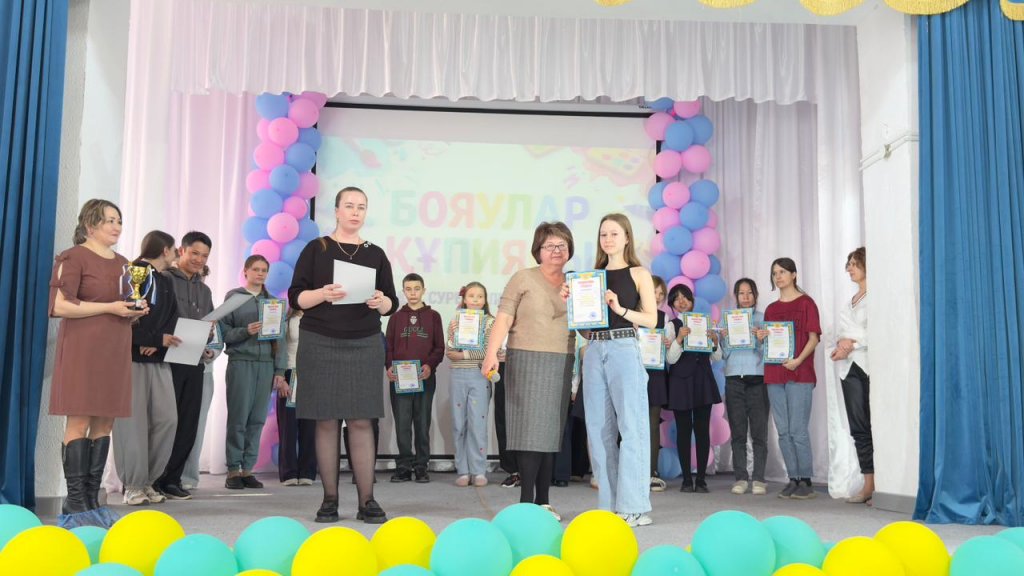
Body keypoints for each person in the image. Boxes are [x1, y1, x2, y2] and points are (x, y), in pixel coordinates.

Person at [289, 186, 398, 524]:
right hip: (319, 341)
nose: (355, 212)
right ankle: (329, 500)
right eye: (349, 206)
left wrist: (380, 301)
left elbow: (391, 303)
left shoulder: (375, 253)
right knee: (326, 420)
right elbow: (295, 297)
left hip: (364, 342)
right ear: (336, 211)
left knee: (362, 420)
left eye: (361, 207)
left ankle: (367, 500)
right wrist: (322, 294)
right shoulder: (316, 248)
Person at [49, 199, 148, 527]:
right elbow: (59, 306)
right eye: (109, 220)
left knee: (105, 425)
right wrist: (109, 307)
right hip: (83, 349)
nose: (117, 226)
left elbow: (122, 307)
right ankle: (76, 502)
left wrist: (133, 312)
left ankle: (92, 499)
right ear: (90, 225)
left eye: (119, 220)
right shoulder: (73, 257)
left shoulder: (124, 263)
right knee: (79, 422)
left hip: (115, 349)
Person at [481, 222, 576, 522]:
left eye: (562, 245)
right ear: (538, 250)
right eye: (550, 246)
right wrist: (491, 353)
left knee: (550, 432)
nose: (556, 251)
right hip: (525, 359)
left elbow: (588, 325)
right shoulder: (523, 277)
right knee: (528, 432)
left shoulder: (576, 283)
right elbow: (504, 317)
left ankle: (543, 501)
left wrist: (580, 301)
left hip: (561, 359)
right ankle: (525, 502)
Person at [577, 214, 658, 527]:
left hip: (624, 347)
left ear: (626, 237)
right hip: (594, 349)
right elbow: (586, 330)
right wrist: (575, 309)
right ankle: (609, 505)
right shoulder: (591, 277)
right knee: (598, 429)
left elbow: (651, 319)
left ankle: (634, 506)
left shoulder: (639, 273)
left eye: (614, 233)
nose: (608, 239)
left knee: (632, 427)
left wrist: (620, 308)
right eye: (603, 234)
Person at [114, 230, 181, 506]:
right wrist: (150, 339)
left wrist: (159, 342)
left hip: (159, 359)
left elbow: (172, 317)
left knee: (167, 419)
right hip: (131, 360)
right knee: (132, 423)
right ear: (165, 250)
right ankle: (133, 485)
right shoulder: (133, 273)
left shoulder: (166, 280)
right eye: (174, 249)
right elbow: (125, 316)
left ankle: (149, 480)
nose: (176, 253)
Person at [219, 255, 288, 489]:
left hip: (266, 366)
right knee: (238, 418)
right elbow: (223, 333)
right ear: (245, 271)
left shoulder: (273, 303)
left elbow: (280, 339)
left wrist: (279, 370)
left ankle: (248, 469)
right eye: (256, 269)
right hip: (241, 362)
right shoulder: (234, 298)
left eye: (264, 270)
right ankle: (233, 470)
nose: (260, 274)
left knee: (257, 419)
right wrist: (245, 331)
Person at [156, 231, 215, 500]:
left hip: (194, 360)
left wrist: (209, 335)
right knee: (165, 421)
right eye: (195, 253)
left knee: (189, 422)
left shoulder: (205, 290)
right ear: (181, 251)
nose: (199, 260)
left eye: (204, 256)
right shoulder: (165, 279)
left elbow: (209, 326)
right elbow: (156, 318)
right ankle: (153, 477)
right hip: (167, 360)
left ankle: (173, 479)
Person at [763, 257, 821, 500]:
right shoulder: (771, 309)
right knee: (783, 431)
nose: (778, 276)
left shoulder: (806, 303)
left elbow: (814, 338)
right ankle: (793, 478)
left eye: (783, 272)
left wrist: (798, 361)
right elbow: (771, 344)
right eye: (775, 273)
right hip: (774, 374)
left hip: (800, 373)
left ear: (794, 274)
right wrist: (762, 337)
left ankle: (806, 480)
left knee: (798, 429)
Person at [385, 273, 445, 484]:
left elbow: (439, 348)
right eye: (408, 289)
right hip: (400, 379)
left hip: (424, 378)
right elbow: (388, 347)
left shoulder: (433, 316)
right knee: (402, 423)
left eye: (417, 289)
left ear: (423, 290)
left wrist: (429, 365)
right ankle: (403, 466)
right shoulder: (395, 318)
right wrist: (389, 367)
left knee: (422, 422)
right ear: (403, 291)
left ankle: (421, 466)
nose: (413, 293)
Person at [665, 284, 722, 495]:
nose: (682, 302)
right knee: (683, 430)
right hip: (680, 382)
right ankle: (687, 479)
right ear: (672, 304)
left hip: (702, 380)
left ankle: (701, 479)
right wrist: (679, 339)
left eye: (685, 297)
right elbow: (670, 359)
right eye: (677, 299)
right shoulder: (672, 326)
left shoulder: (705, 323)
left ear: (692, 300)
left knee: (702, 430)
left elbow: (717, 357)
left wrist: (714, 342)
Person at [831, 247, 872, 504]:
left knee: (874, 425)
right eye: (848, 264)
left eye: (854, 264)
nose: (849, 269)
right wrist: (842, 344)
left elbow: (878, 330)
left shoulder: (876, 296)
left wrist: (852, 343)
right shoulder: (850, 301)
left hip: (868, 366)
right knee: (859, 427)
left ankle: (882, 484)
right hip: (849, 369)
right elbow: (841, 333)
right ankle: (869, 484)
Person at [445, 282, 496, 487]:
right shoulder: (456, 321)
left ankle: (478, 470)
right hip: (457, 375)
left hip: (479, 375)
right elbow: (450, 351)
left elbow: (487, 351)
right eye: (471, 296)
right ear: (464, 299)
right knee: (459, 424)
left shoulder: (490, 322)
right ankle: (463, 470)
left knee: (477, 424)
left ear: (485, 300)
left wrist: (463, 354)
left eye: (480, 296)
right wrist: (457, 350)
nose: (475, 300)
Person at [721, 278, 768, 496]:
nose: (746, 297)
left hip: (757, 378)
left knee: (759, 432)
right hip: (733, 379)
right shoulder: (728, 319)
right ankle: (740, 477)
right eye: (741, 293)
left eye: (749, 293)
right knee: (738, 432)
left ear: (755, 295)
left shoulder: (763, 319)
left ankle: (759, 478)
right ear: (736, 296)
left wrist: (760, 339)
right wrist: (724, 338)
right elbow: (724, 354)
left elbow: (768, 353)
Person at [182, 264, 221, 491]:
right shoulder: (178, 299)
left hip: (203, 371)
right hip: (177, 368)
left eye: (201, 278)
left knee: (196, 425)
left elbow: (217, 340)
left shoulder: (208, 303)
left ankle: (189, 476)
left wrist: (210, 353)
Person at [275, 309, 317, 486]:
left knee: (310, 426)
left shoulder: (318, 318)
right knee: (288, 427)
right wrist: (281, 377)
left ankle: (307, 471)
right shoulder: (286, 320)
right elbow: (278, 348)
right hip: (290, 373)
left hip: (312, 374)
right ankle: (289, 472)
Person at [647, 275, 669, 493]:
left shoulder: (664, 318)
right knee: (629, 425)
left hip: (655, 376)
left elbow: (670, 355)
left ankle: (652, 472)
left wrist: (669, 344)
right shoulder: (632, 315)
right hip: (634, 375)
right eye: (655, 291)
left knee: (653, 424)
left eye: (661, 294)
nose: (658, 297)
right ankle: (631, 473)